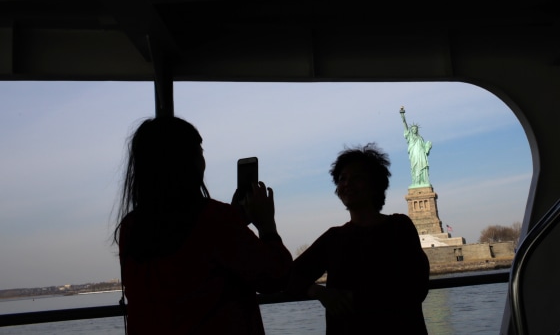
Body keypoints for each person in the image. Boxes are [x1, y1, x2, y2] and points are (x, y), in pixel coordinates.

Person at [113, 116, 292, 334]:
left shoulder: (131, 228)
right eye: (199, 152)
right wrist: (266, 226)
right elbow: (274, 277)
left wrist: (235, 219)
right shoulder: (214, 219)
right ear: (189, 162)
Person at [287, 144, 430, 334]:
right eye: (342, 179)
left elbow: (416, 286)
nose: (347, 184)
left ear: (375, 185)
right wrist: (319, 292)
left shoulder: (400, 227)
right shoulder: (333, 238)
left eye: (356, 178)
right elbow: (288, 277)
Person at [400, 106, 432, 188]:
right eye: (413, 129)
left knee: (422, 167)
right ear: (411, 130)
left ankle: (424, 181)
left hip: (421, 154)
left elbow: (425, 149)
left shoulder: (420, 138)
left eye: (415, 129)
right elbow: (404, 124)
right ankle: (416, 182)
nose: (414, 130)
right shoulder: (409, 136)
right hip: (414, 154)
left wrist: (428, 146)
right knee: (415, 168)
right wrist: (402, 115)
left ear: (417, 130)